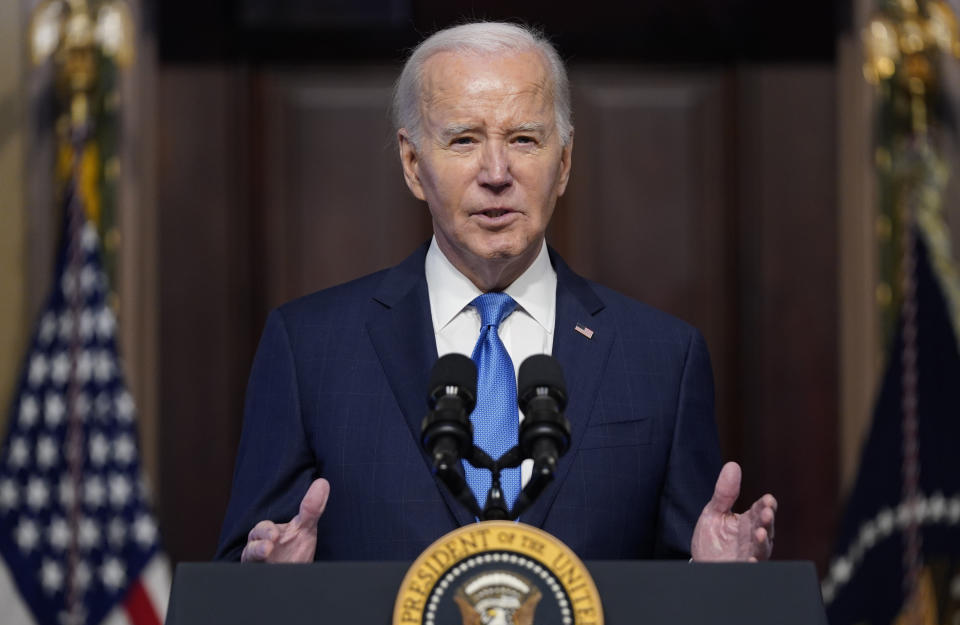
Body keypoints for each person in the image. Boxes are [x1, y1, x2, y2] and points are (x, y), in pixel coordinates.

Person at [214, 22, 776, 564]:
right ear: (413, 164)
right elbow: (240, 583)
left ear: (565, 162)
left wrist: (712, 581)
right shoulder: (309, 348)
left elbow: (688, 594)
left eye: (524, 139)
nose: (497, 172)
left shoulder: (662, 358)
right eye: (464, 140)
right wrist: (268, 585)